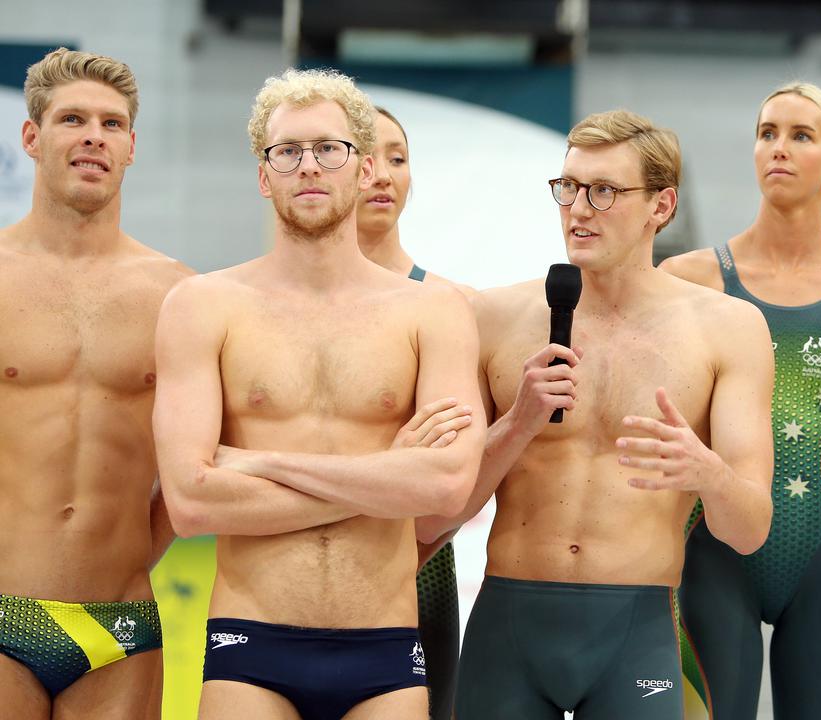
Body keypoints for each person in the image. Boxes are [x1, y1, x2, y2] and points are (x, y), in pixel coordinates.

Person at [419, 108, 775, 719]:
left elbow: (749, 531)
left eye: (604, 191)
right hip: (509, 622)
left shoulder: (728, 330)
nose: (579, 209)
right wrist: (517, 423)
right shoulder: (494, 318)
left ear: (661, 207)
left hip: (635, 630)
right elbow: (438, 514)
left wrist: (707, 474)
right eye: (569, 188)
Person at [153, 68, 484, 720]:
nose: (309, 166)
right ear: (263, 175)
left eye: (328, 149)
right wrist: (387, 475)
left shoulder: (433, 312)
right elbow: (191, 502)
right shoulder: (202, 306)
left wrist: (261, 463)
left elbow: (445, 490)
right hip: (250, 643)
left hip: (384, 646)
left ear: (362, 170)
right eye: (288, 152)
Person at [659, 81, 821, 718]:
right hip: (710, 554)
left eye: (801, 136)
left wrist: (790, 497)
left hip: (819, 553)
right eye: (768, 133)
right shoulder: (689, 281)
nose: (780, 148)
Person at [0, 47, 191, 720]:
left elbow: (202, 461)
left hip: (123, 625)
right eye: (72, 119)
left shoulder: (178, 295)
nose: (93, 136)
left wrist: (141, 545)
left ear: (132, 147)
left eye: (111, 124)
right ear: (32, 137)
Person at [355, 105, 473, 720]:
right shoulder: (266, 304)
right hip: (291, 584)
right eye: (367, 157)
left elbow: (460, 484)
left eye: (397, 159)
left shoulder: (455, 310)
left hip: (418, 578)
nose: (382, 175)